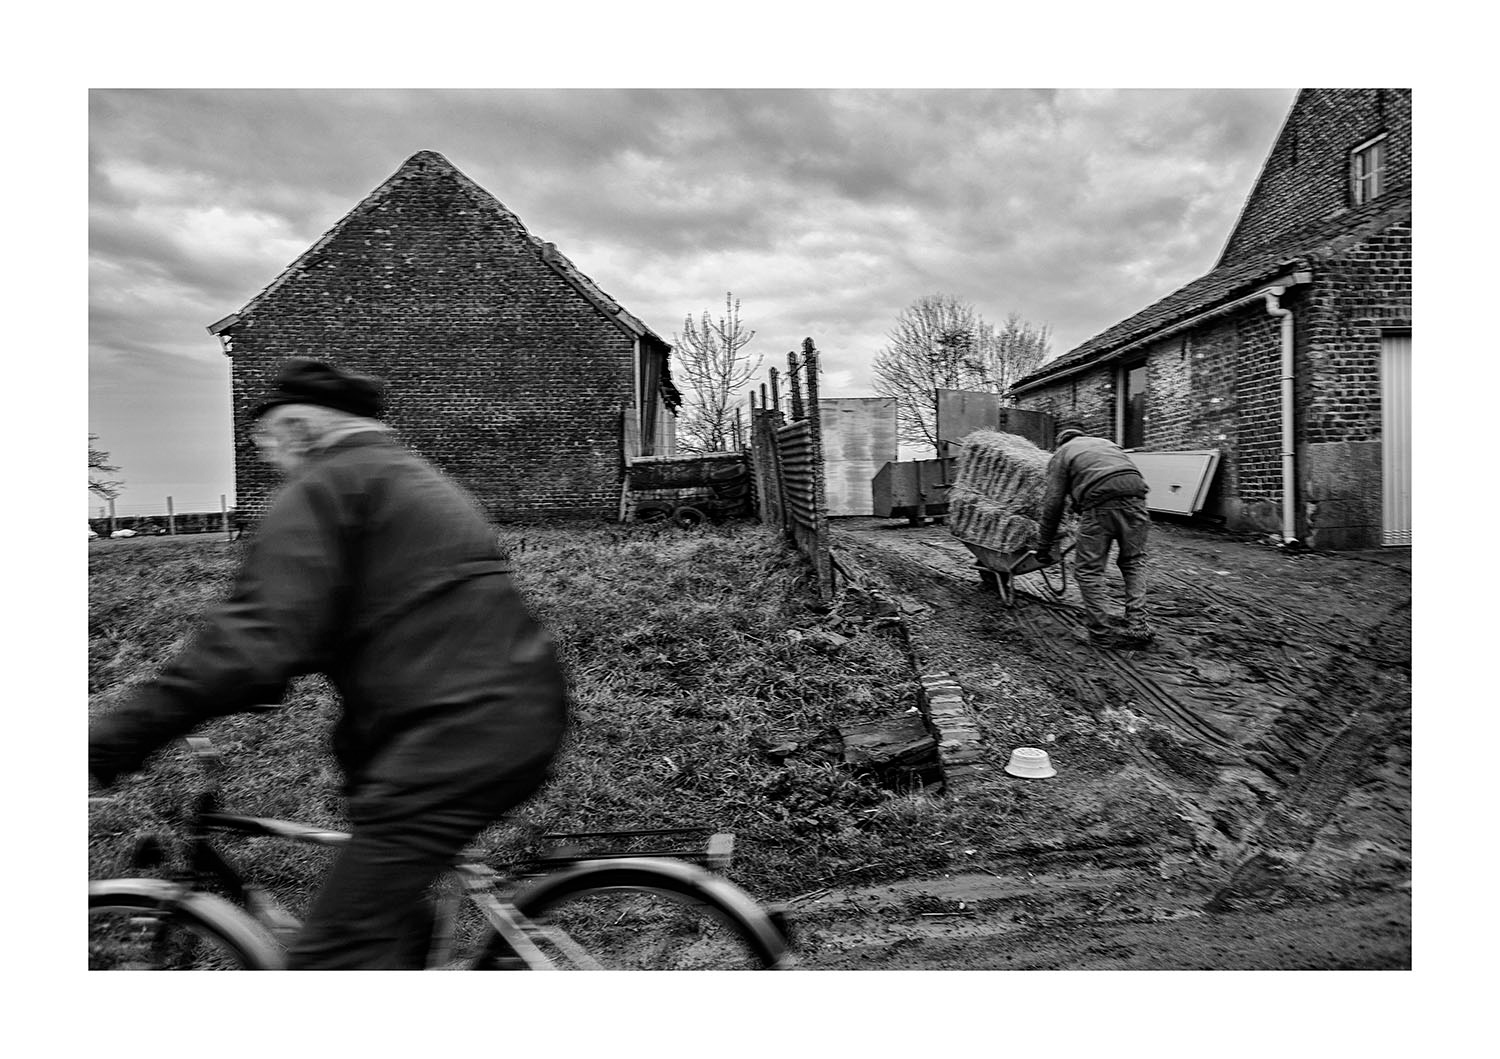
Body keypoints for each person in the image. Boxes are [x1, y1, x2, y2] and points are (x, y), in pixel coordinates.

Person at [89, 359, 570, 969]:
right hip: (498, 715)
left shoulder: (325, 488)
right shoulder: (410, 475)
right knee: (389, 920)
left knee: (330, 958)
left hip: (454, 738)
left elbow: (251, 642)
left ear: (298, 426)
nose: (267, 455)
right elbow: (353, 622)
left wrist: (119, 736)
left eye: (266, 437)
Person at [1034, 425, 1154, 646]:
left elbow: (1053, 504)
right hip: (1138, 500)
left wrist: (1043, 545)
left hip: (1100, 505)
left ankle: (1100, 633)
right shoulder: (1106, 444)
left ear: (1060, 442)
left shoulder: (1062, 454)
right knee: (1134, 562)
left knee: (1089, 570)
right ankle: (1138, 625)